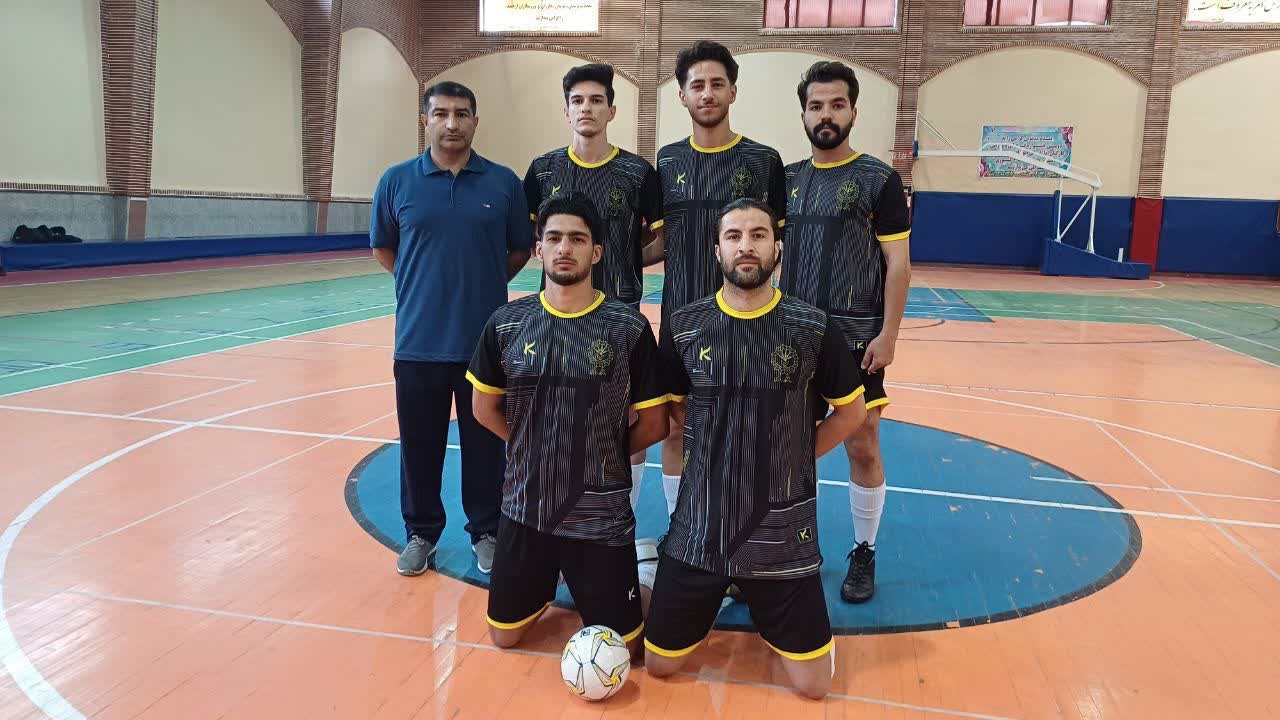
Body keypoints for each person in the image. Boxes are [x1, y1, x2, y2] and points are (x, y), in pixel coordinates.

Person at [645, 199, 868, 700]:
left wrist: (796, 457)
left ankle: (773, 612)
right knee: (658, 666)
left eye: (758, 235)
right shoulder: (685, 324)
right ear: (717, 250)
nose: (746, 245)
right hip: (700, 530)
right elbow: (677, 409)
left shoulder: (812, 327)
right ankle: (652, 572)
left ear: (777, 247)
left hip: (781, 534)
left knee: (814, 687)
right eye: (733, 236)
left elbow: (852, 412)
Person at [467, 194, 670, 656]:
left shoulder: (628, 328)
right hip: (526, 509)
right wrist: (528, 446)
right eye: (554, 238)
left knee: (630, 650)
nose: (564, 248)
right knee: (504, 637)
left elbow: (656, 423)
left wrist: (603, 454)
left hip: (599, 515)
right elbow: (483, 408)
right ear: (538, 249)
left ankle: (644, 568)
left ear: (596, 252)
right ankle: (547, 580)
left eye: (577, 239)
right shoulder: (507, 323)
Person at [370, 81, 533, 578]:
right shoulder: (396, 181)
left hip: (485, 346)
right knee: (419, 447)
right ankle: (421, 533)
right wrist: (421, 283)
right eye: (441, 113)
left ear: (475, 122)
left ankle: (486, 531)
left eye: (462, 114)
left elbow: (519, 249)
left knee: (487, 447)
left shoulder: (503, 183)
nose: (452, 123)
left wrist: (483, 282)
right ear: (426, 120)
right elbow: (384, 248)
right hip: (417, 344)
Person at [780, 61, 912, 604]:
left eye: (836, 105)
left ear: (854, 111)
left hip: (856, 339)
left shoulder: (878, 180)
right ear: (803, 114)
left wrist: (889, 334)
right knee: (786, 446)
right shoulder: (786, 180)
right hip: (792, 338)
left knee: (862, 442)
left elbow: (898, 263)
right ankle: (783, 546)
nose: (826, 115)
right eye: (816, 106)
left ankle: (864, 550)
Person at [652, 40, 788, 519]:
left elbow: (778, 247)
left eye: (716, 84)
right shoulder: (667, 161)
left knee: (745, 429)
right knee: (675, 426)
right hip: (679, 321)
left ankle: (741, 527)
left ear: (733, 91)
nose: (706, 93)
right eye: (697, 85)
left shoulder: (763, 161)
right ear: (682, 96)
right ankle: (680, 528)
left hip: (748, 322)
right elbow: (660, 242)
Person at [522, 62, 664, 508]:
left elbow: (661, 240)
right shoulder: (542, 171)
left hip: (620, 317)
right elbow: (531, 240)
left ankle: (622, 518)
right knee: (556, 414)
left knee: (627, 416)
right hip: (556, 317)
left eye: (596, 100)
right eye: (578, 101)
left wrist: (623, 260)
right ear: (566, 111)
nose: (587, 108)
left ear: (611, 111)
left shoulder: (638, 173)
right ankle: (557, 511)